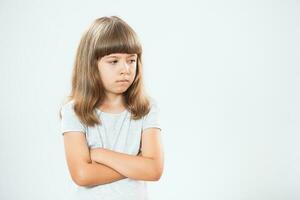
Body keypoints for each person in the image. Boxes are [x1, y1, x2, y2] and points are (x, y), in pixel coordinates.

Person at [59, 16, 164, 200]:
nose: (125, 69)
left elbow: (154, 170)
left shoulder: (147, 108)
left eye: (131, 60)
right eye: (113, 61)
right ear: (91, 65)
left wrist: (99, 154)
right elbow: (82, 175)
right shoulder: (73, 111)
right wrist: (137, 165)